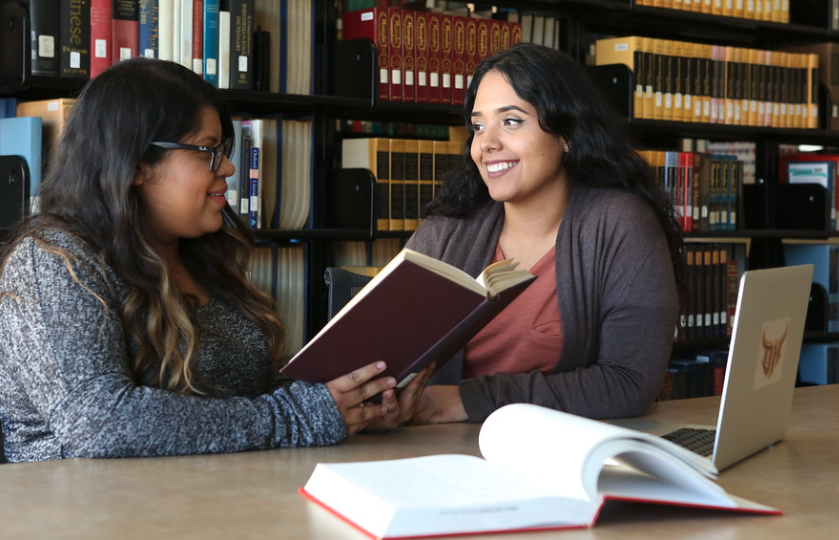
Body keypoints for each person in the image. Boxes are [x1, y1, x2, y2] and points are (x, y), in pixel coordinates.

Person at [0, 58, 430, 463]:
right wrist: (300, 417)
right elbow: (99, 423)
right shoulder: (53, 261)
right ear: (133, 163)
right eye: (207, 151)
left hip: (214, 500)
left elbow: (243, 400)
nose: (226, 166)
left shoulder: (201, 255)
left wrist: (350, 405)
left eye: (224, 149)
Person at [405, 42, 685, 425]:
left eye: (512, 121)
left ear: (567, 133)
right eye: (479, 125)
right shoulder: (443, 234)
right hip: (430, 451)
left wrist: (468, 401)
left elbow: (630, 382)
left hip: (557, 454)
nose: (486, 144)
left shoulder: (620, 224)